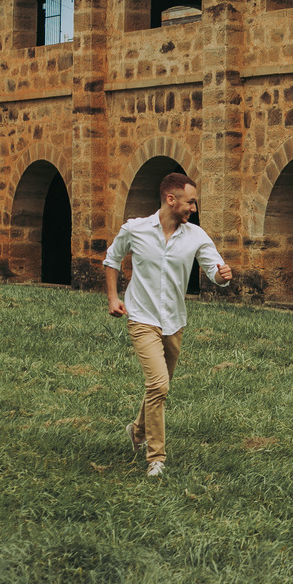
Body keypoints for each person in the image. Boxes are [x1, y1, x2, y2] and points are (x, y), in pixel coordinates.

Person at [103, 172, 233, 477]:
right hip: (141, 318)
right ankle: (156, 458)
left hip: (174, 321)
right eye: (190, 202)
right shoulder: (135, 230)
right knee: (158, 384)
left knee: (160, 387)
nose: (194, 208)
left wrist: (222, 276)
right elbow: (111, 260)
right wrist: (112, 298)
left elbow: (214, 267)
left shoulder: (196, 236)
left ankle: (136, 430)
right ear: (170, 199)